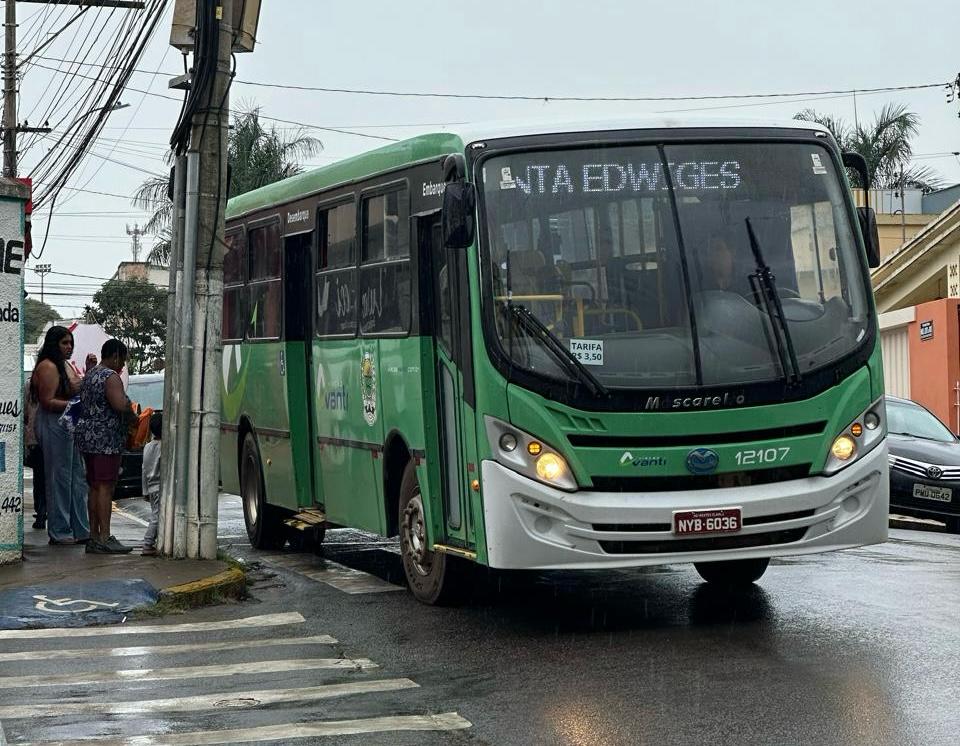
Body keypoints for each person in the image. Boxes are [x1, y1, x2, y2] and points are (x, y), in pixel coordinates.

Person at [32, 326, 90, 545]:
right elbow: (48, 401)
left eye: (71, 343)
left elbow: (72, 388)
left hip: (68, 422)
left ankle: (80, 529)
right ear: (53, 344)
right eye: (65, 343)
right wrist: (76, 406)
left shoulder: (64, 365)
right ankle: (60, 530)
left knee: (76, 477)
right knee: (60, 479)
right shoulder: (47, 367)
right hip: (54, 422)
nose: (69, 347)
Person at [75, 339, 133, 554]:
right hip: (105, 440)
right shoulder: (110, 377)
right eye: (123, 360)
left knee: (94, 486)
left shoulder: (90, 375)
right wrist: (132, 411)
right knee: (105, 487)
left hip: (87, 437)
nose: (122, 365)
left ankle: (94, 536)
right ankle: (105, 536)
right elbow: (119, 405)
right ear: (116, 355)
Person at [22, 376, 46, 530]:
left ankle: (41, 511)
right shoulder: (57, 380)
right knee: (49, 477)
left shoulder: (30, 384)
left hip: (34, 438)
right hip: (50, 437)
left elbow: (24, 413)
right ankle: (44, 510)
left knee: (39, 477)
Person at [141, 412, 162, 556]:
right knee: (157, 516)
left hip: (151, 486)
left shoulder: (148, 447)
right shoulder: (165, 447)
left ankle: (154, 542)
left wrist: (145, 491)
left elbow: (144, 469)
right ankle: (148, 543)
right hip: (161, 487)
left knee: (156, 514)